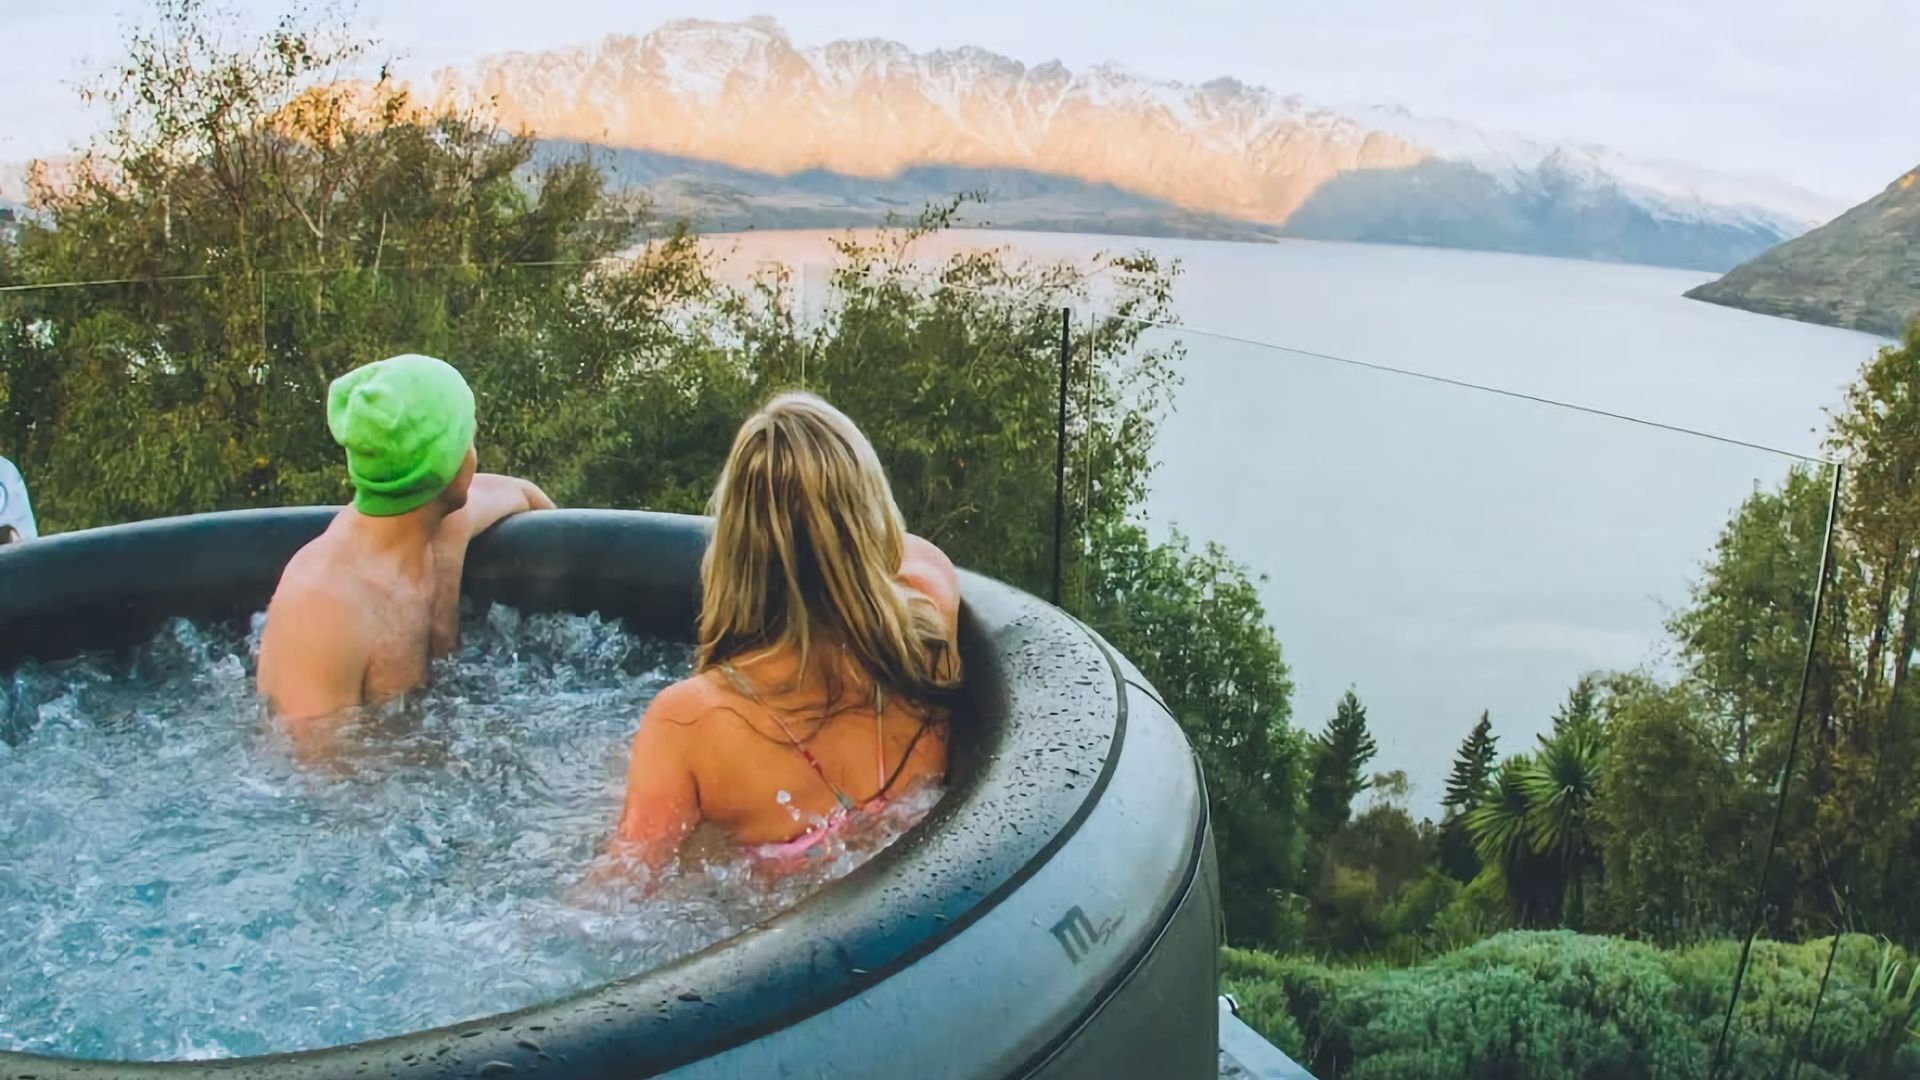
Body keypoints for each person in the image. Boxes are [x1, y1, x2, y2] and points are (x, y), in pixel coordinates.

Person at [609, 392, 961, 873]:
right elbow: (906, 551)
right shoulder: (929, 627)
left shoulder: (688, 724)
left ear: (735, 549)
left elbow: (616, 901)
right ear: (871, 514)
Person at [257, 354, 553, 725]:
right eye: (468, 439)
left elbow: (529, 497)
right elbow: (308, 773)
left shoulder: (447, 530)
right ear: (449, 465)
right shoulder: (322, 605)